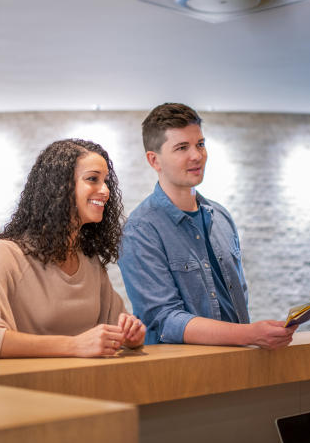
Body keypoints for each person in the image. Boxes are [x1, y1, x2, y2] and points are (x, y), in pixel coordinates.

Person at [118, 103, 297, 347]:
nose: (196, 155)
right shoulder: (140, 230)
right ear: (154, 160)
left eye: (200, 144)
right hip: (185, 376)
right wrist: (251, 334)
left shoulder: (221, 216)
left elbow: (238, 299)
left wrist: (254, 335)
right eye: (182, 147)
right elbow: (165, 321)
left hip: (239, 364)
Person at [0, 139, 145, 359]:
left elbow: (115, 331)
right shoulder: (6, 255)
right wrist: (74, 346)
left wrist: (132, 336)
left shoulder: (90, 263)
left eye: (106, 182)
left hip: (84, 388)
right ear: (60, 187)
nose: (105, 191)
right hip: (23, 390)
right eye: (93, 179)